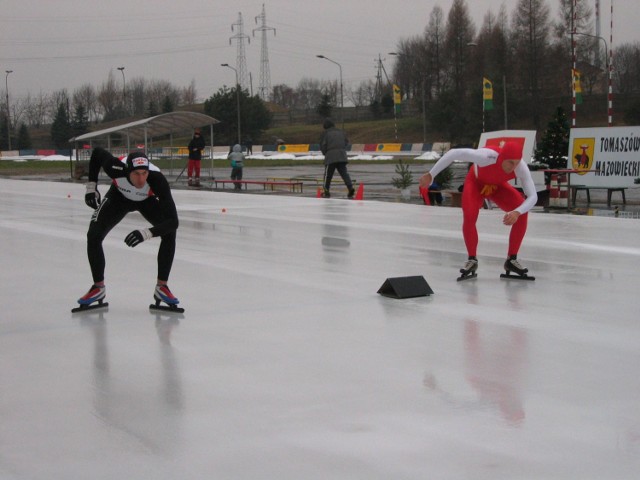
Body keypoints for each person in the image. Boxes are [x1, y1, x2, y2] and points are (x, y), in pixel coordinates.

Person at [78, 148, 180, 309]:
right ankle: (98, 288)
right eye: (136, 174)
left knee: (169, 232)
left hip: (146, 201)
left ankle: (162, 287)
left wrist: (147, 233)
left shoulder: (156, 179)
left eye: (144, 174)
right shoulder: (115, 167)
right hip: (119, 197)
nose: (141, 179)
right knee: (94, 235)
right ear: (128, 171)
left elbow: (174, 221)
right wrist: (91, 187)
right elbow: (97, 153)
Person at [418, 141, 537, 278]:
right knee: (469, 216)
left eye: (516, 163)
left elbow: (533, 196)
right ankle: (472, 259)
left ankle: (512, 259)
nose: (513, 167)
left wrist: (517, 212)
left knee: (522, 211)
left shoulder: (520, 167)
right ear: (502, 157)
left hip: (497, 187)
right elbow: (453, 154)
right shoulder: (486, 156)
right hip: (475, 183)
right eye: (510, 162)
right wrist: (431, 174)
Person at [319, 118, 355, 198]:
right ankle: (350, 188)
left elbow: (323, 145)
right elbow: (346, 142)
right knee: (344, 174)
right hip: (342, 155)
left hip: (331, 156)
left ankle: (326, 191)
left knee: (328, 176)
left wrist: (326, 153)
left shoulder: (325, 133)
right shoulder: (341, 132)